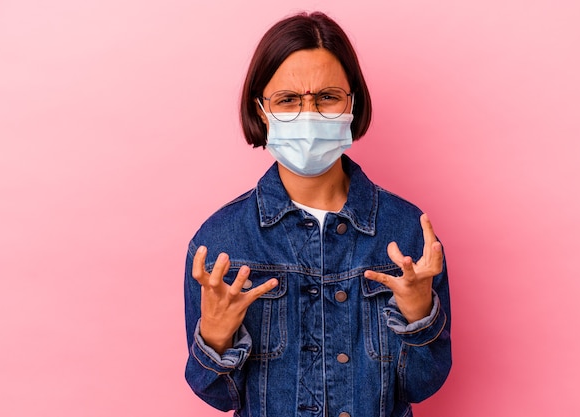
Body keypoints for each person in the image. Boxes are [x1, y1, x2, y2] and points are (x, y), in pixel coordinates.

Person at [184, 11, 451, 417]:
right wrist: (216, 339)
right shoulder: (220, 243)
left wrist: (418, 315)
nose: (308, 115)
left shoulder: (408, 235)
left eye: (327, 97)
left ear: (352, 103)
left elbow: (421, 386)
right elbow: (220, 398)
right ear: (261, 110)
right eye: (288, 100)